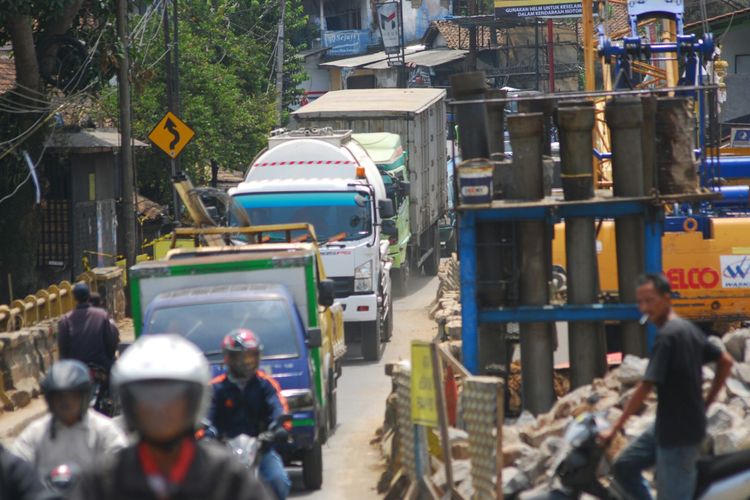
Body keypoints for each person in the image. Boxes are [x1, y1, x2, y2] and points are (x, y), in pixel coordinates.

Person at [69, 334, 271, 500]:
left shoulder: (228, 479)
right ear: (130, 404)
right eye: (148, 397)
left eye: (173, 397)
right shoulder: (104, 482)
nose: (160, 408)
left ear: (194, 401)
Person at [599, 273, 734, 500]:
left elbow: (645, 386)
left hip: (679, 435)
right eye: (640, 302)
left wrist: (614, 428)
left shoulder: (668, 337)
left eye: (649, 300)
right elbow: (726, 361)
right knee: (625, 465)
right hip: (664, 424)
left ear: (666, 298)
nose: (644, 308)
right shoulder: (687, 328)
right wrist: (707, 402)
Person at [207, 329, 291, 500]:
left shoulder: (266, 384)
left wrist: (279, 428)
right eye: (242, 357)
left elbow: (280, 410)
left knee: (279, 481)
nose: (247, 362)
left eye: (252, 356)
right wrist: (205, 435)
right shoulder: (215, 388)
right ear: (228, 358)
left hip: (261, 449)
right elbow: (204, 418)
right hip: (222, 452)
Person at [12, 360, 127, 480]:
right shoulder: (36, 432)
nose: (65, 402)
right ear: (50, 399)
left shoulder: (104, 430)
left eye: (72, 396)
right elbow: (15, 467)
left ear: (84, 396)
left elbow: (125, 465)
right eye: (58, 397)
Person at [58, 283, 119, 371]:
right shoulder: (101, 315)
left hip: (75, 368)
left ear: (74, 298)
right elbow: (109, 343)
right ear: (88, 296)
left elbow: (63, 348)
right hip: (100, 364)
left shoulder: (66, 319)